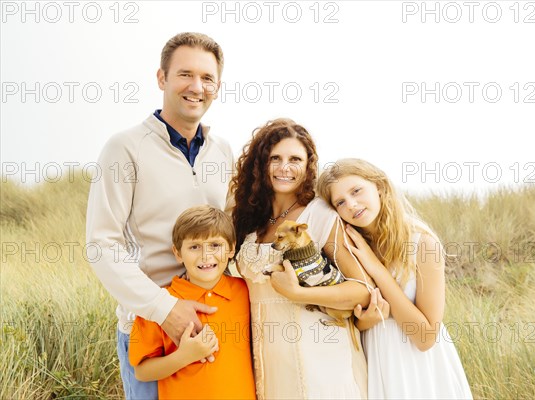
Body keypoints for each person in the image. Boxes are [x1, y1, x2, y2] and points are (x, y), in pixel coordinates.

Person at [85, 32, 233, 398]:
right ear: (162, 78)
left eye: (207, 78)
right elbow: (101, 244)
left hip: (213, 327)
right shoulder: (125, 147)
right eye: (185, 74)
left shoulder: (223, 151)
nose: (197, 86)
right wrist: (164, 308)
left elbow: (231, 238)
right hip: (151, 327)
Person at [230, 118, 371, 399]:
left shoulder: (318, 215)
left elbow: (362, 291)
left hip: (319, 359)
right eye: (275, 158)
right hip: (266, 361)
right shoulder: (248, 218)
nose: (285, 167)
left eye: (295, 159)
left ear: (308, 165)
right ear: (260, 164)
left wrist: (296, 292)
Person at [317, 158, 473, 399]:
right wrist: (364, 322)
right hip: (375, 364)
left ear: (378, 186)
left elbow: (425, 337)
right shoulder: (349, 249)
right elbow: (354, 322)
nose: (351, 204)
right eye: (340, 202)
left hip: (419, 370)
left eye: (356, 191)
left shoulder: (422, 243)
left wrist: (376, 268)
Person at [128, 205, 256, 399]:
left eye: (215, 245)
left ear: (231, 249)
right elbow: (142, 372)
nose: (205, 256)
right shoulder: (162, 303)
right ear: (178, 253)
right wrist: (184, 357)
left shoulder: (245, 290)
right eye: (194, 247)